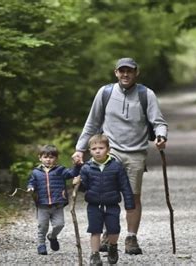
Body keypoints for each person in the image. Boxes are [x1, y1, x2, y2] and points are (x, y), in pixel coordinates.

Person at [72, 57, 168, 255]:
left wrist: (161, 136)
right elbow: (92, 123)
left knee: (133, 197)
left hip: (136, 153)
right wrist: (80, 148)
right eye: (121, 71)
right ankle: (109, 234)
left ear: (136, 73)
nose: (125, 74)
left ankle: (131, 238)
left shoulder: (146, 94)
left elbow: (158, 122)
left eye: (129, 71)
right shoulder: (105, 92)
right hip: (110, 152)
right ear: (116, 72)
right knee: (106, 194)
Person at [74, 134, 135, 265]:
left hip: (112, 204)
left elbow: (125, 186)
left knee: (114, 229)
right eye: (94, 148)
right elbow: (84, 188)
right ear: (89, 151)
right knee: (94, 230)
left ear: (108, 149)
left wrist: (129, 204)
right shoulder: (86, 168)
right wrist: (78, 183)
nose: (97, 151)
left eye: (101, 148)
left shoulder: (116, 166)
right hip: (94, 204)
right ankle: (95, 254)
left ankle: (112, 246)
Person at [27, 144, 82, 255]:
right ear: (40, 158)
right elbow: (31, 182)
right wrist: (30, 187)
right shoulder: (36, 172)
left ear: (56, 158)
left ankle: (52, 236)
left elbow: (72, 173)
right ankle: (41, 245)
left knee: (59, 224)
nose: (48, 159)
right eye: (45, 157)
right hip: (42, 204)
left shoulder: (60, 170)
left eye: (51, 157)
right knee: (42, 226)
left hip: (57, 204)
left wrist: (77, 166)